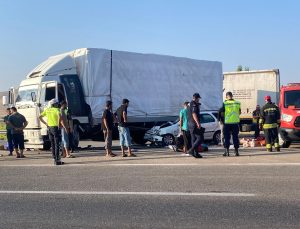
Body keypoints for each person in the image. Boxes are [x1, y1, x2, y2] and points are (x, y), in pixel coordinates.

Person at [39, 99, 65, 165]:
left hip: (49, 128)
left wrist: (45, 123)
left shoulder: (47, 110)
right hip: (55, 128)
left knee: (52, 144)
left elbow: (40, 117)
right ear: (55, 104)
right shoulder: (57, 110)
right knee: (57, 144)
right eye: (57, 103)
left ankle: (54, 157)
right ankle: (57, 160)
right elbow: (60, 117)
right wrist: (59, 124)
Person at [220, 92, 241, 156]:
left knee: (227, 137)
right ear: (232, 96)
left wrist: (221, 120)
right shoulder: (237, 103)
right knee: (235, 137)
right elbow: (239, 112)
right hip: (235, 123)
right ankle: (236, 152)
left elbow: (221, 112)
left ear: (227, 97)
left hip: (227, 123)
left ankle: (227, 152)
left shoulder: (225, 103)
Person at [186, 93, 203, 158]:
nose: (199, 100)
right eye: (198, 98)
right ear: (196, 98)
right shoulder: (194, 104)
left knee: (193, 138)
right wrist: (197, 123)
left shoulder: (189, 104)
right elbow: (194, 114)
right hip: (194, 123)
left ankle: (195, 153)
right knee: (200, 138)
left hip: (190, 123)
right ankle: (191, 150)